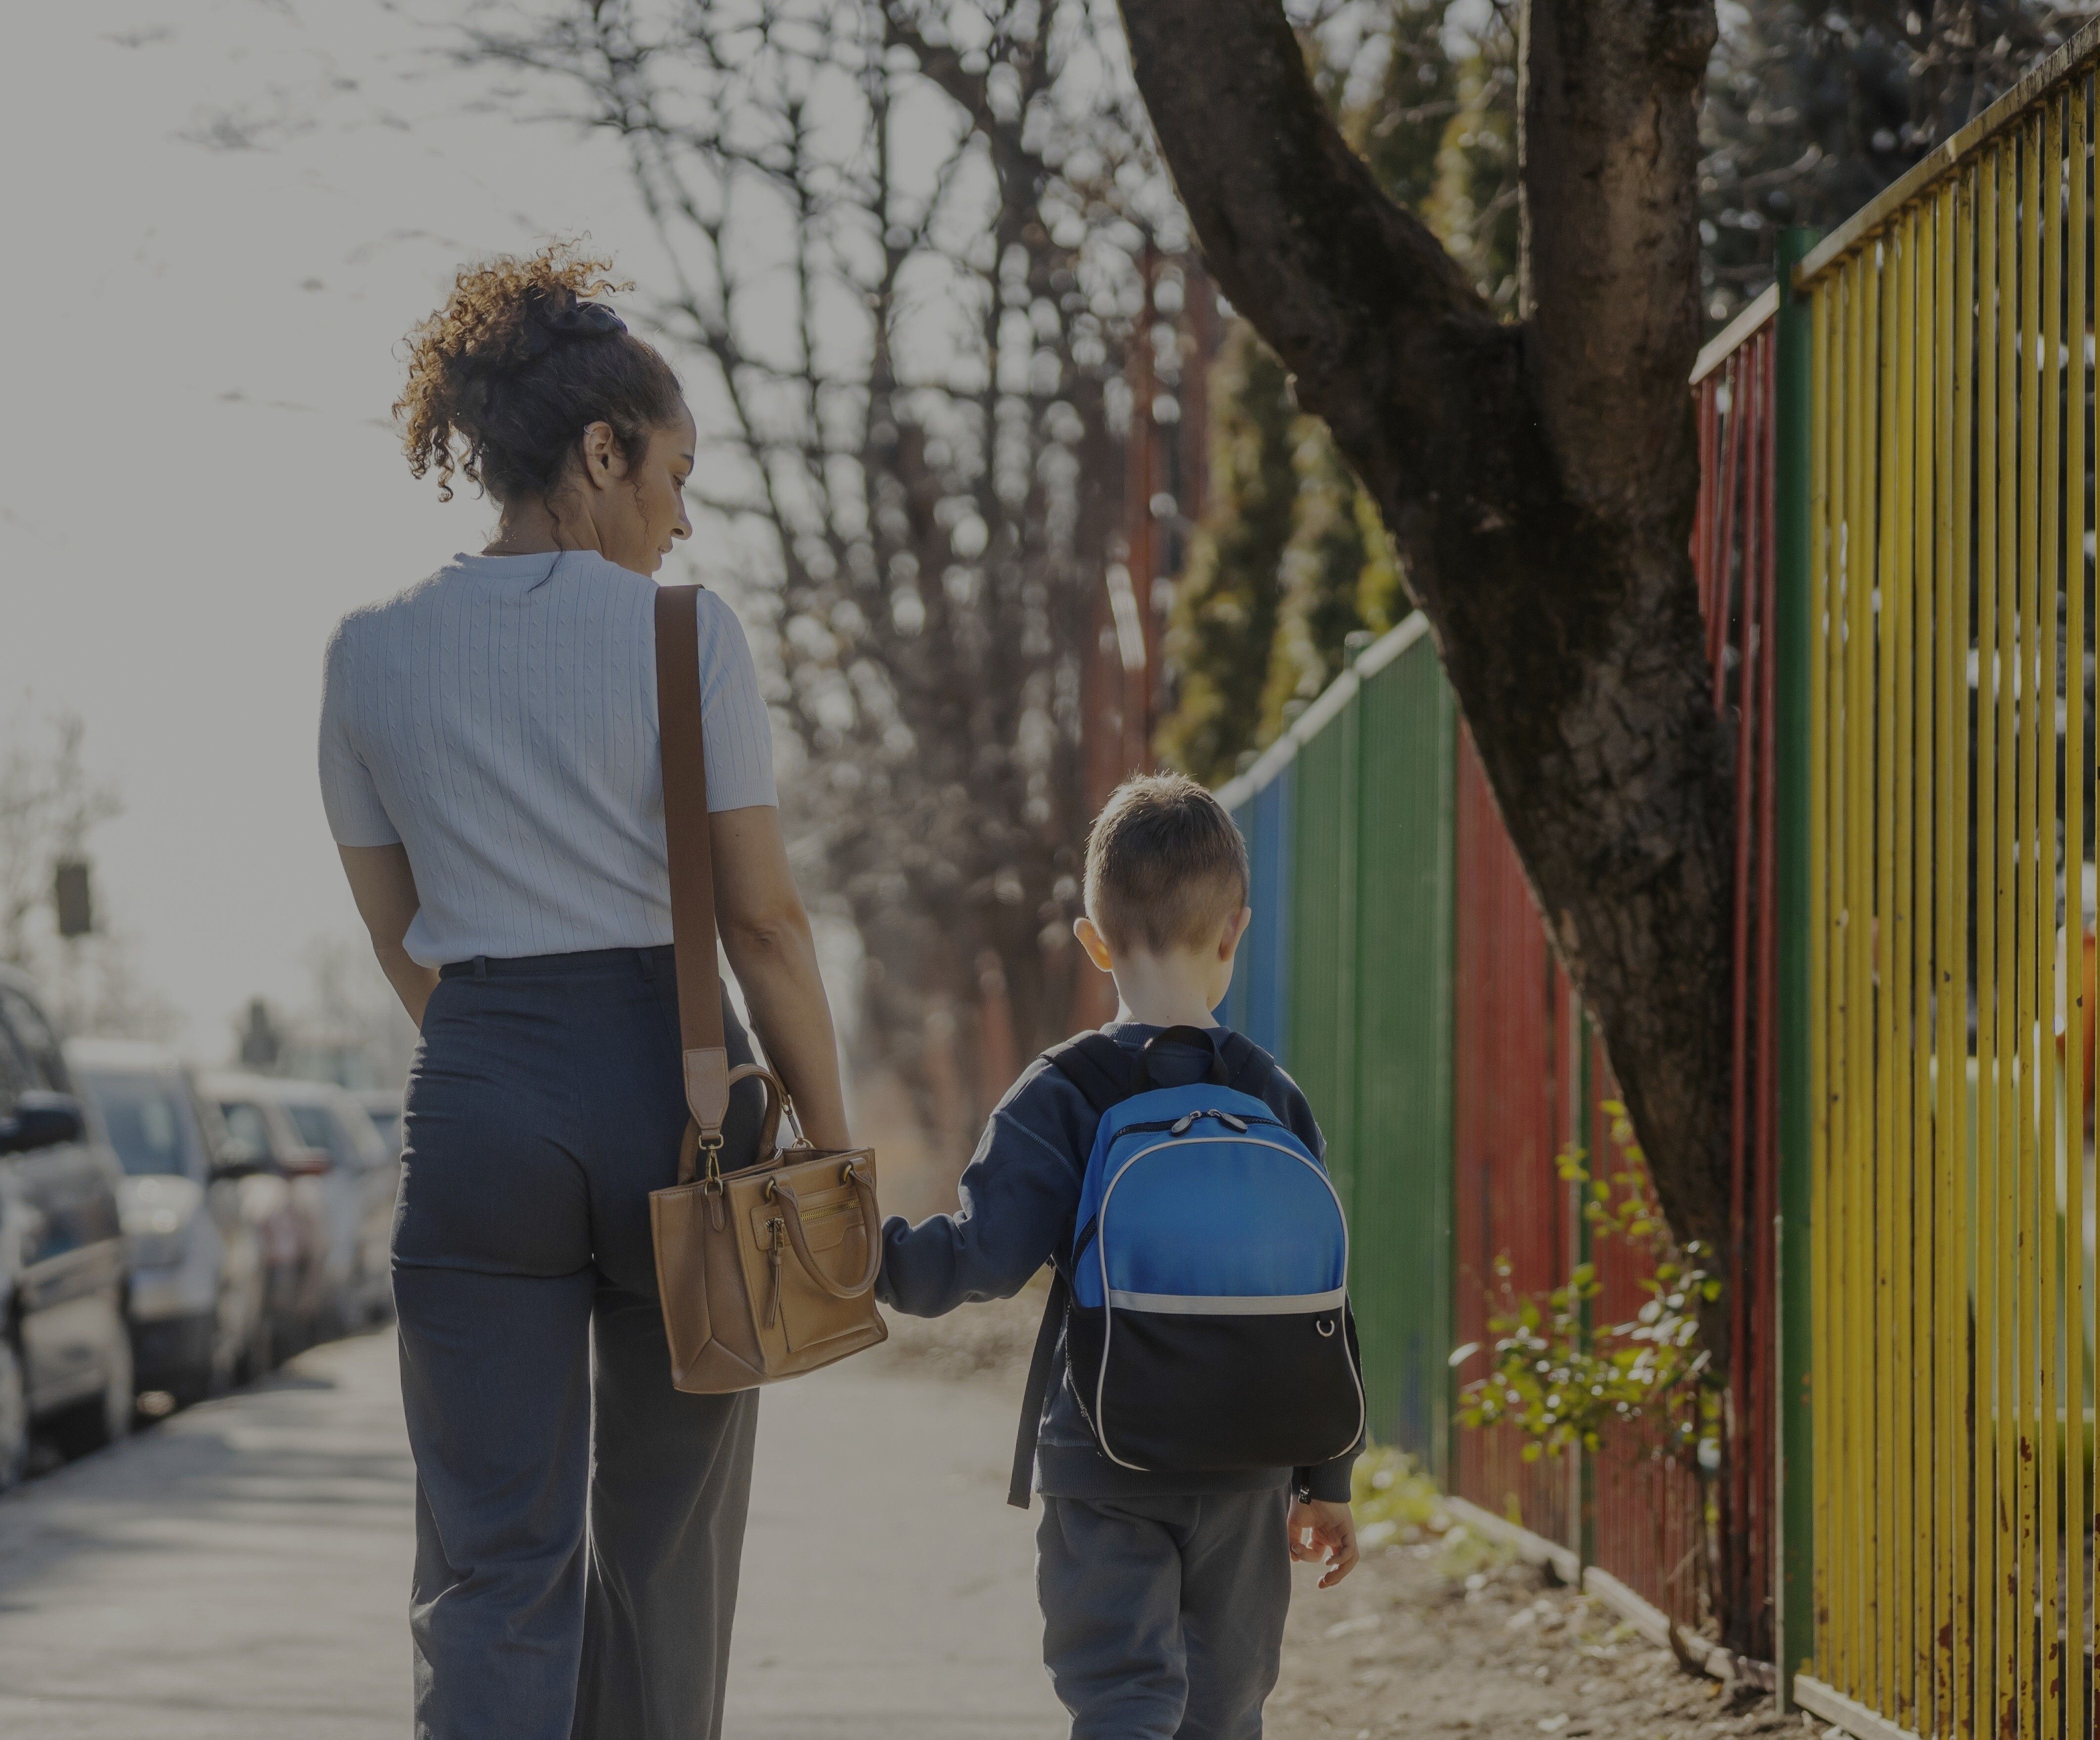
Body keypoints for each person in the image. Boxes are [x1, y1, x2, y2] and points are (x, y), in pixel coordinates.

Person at [321, 244, 851, 1740]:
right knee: (664, 1553)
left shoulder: (366, 655)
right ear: (600, 451)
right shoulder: (689, 635)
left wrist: (504, 1065)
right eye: (674, 471)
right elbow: (766, 921)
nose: (683, 516)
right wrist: (823, 1126)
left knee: (493, 1559)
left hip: (477, 1091)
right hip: (677, 1092)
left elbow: (397, 933)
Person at [877, 774, 1360, 1740]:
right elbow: (1326, 1298)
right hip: (1252, 1462)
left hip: (1103, 1454)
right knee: (1225, 1708)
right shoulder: (1270, 1094)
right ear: (1234, 930)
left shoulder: (1060, 1092)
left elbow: (981, 1257)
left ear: (1094, 941)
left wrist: (866, 1256)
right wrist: (1329, 1478)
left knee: (1123, 1695)